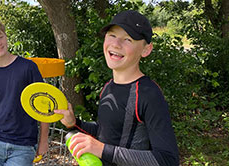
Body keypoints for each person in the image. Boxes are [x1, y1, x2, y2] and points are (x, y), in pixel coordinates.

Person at [54, 10, 179, 166]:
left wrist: (101, 149)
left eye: (127, 39)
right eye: (112, 36)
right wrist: (74, 123)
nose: (115, 44)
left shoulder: (148, 94)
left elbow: (167, 160)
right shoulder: (108, 87)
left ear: (146, 49)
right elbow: (107, 133)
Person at [0, 19, 49, 166]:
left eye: (1, 37)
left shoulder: (28, 68)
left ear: (6, 36)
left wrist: (44, 140)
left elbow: (43, 106)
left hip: (23, 145)